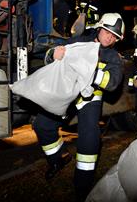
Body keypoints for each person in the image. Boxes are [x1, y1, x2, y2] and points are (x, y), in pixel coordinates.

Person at [33, 13, 125, 202]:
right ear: (99, 28)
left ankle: (82, 188)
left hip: (90, 100)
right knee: (42, 125)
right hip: (68, 95)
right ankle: (58, 159)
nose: (110, 38)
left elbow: (113, 83)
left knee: (89, 140)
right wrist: (53, 55)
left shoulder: (113, 57)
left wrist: (91, 73)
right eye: (108, 32)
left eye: (115, 36)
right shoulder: (79, 41)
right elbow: (52, 55)